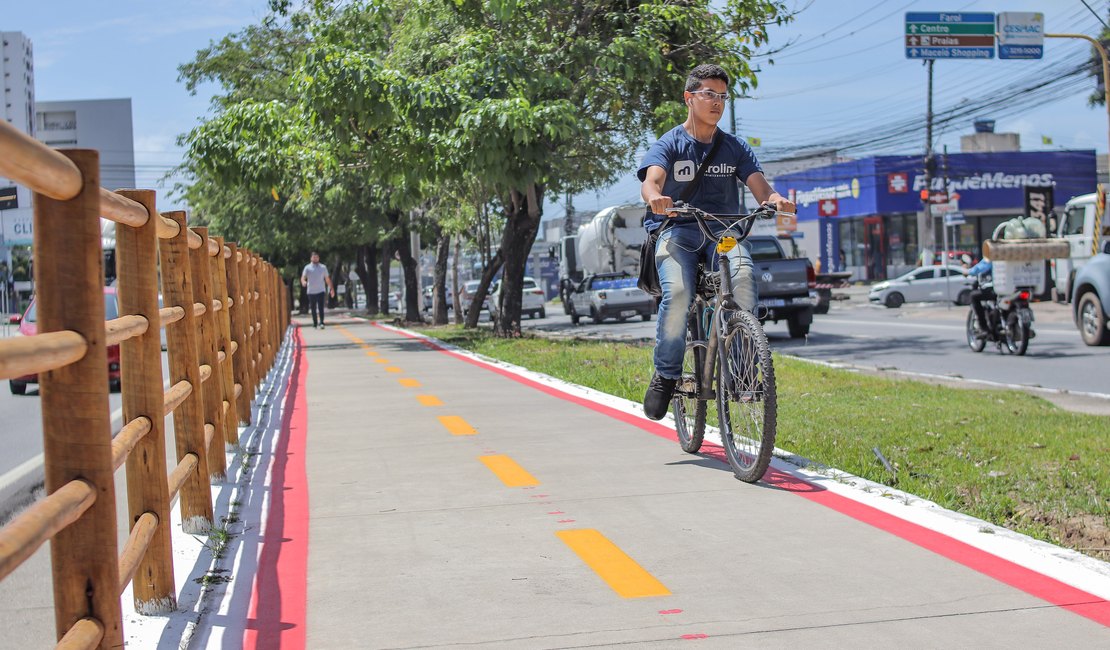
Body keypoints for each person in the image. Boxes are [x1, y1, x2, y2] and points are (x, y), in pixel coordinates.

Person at [637, 63, 795, 421]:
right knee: (678, 292)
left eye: (722, 96)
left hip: (723, 233)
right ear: (689, 98)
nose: (717, 102)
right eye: (708, 94)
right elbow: (652, 181)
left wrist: (776, 201)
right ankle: (666, 374)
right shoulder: (670, 143)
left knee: (742, 277)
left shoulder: (734, 147)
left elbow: (761, 188)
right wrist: (655, 198)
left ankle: (741, 371)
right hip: (677, 230)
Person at [301, 252, 334, 329]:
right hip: (311, 291)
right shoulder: (307, 268)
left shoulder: (323, 267)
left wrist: (331, 288)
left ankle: (322, 322)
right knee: (313, 308)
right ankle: (315, 323)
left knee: (321, 307)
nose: (315, 258)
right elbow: (303, 277)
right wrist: (303, 282)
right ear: (311, 258)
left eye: (317, 257)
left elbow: (327, 279)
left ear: (318, 258)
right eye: (314, 257)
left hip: (321, 290)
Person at [967, 256, 995, 335]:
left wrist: (968, 272)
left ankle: (983, 327)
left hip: (996, 289)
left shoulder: (994, 254)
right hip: (1013, 288)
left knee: (974, 296)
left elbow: (980, 268)